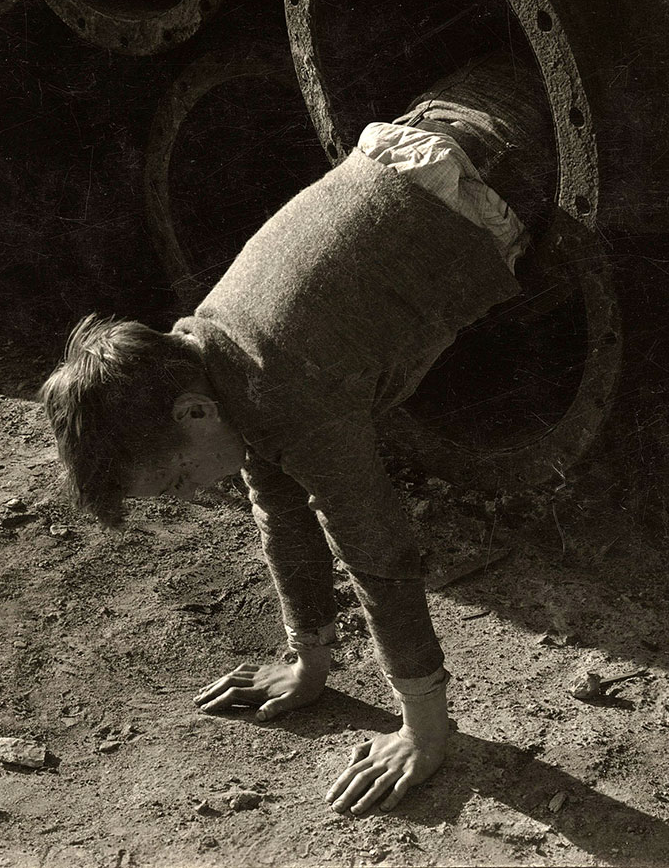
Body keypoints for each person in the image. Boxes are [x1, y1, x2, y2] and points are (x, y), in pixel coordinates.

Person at [40, 51, 553, 815]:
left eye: (177, 481)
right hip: (457, 104)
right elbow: (277, 506)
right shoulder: (210, 348)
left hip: (514, 146)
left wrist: (422, 727)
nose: (191, 496)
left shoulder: (283, 387)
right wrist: (307, 659)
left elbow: (376, 550)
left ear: (192, 415)